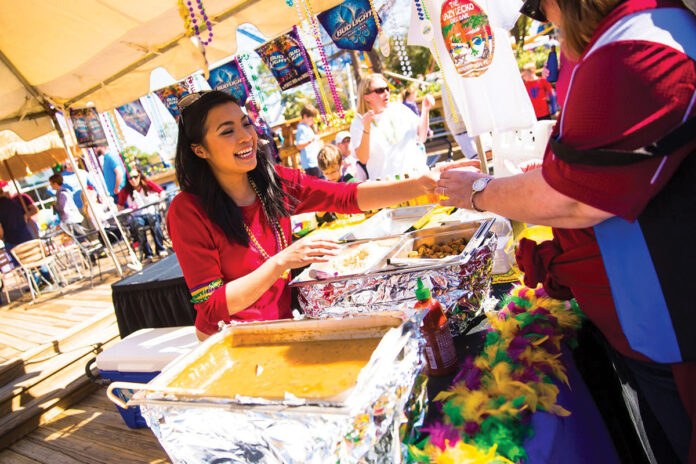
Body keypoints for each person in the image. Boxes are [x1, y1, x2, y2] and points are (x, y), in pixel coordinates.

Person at [437, 0, 696, 462]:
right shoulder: (623, 37)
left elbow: (574, 198)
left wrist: (477, 190)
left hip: (673, 329)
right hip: (644, 323)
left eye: (540, 11)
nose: (545, 23)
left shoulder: (635, 44)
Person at [166, 91, 443, 341]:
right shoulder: (187, 211)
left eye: (245, 123)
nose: (245, 136)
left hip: (281, 327)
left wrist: (420, 184)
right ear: (199, 149)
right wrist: (282, 262)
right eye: (227, 131)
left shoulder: (274, 182)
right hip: (229, 342)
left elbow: (346, 196)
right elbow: (211, 305)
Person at [350, 74, 433, 180]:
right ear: (367, 97)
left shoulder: (399, 108)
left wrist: (426, 110)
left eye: (387, 89)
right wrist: (366, 129)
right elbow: (363, 159)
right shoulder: (358, 123)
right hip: (388, 185)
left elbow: (422, 137)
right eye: (380, 90)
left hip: (416, 176)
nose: (386, 93)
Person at [118, 166, 167, 261]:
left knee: (154, 221)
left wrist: (161, 202)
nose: (133, 180)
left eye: (135, 177)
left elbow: (161, 191)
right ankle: (147, 253)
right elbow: (119, 206)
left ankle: (160, 248)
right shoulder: (125, 191)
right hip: (137, 216)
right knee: (138, 225)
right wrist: (124, 214)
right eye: (130, 178)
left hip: (151, 212)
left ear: (140, 175)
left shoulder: (147, 184)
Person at [294, 104, 323, 178]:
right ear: (305, 116)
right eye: (311, 119)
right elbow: (299, 145)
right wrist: (311, 140)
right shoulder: (301, 128)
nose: (312, 121)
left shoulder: (306, 127)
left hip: (314, 162)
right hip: (310, 163)